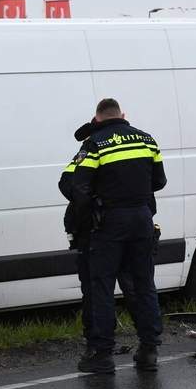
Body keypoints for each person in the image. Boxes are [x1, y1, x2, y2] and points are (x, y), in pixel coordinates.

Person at [71, 98, 166, 374]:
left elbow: (79, 185)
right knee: (144, 284)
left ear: (97, 119)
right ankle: (149, 351)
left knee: (102, 286)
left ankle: (102, 354)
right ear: (123, 115)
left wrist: (88, 217)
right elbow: (159, 181)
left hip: (110, 222)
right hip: (142, 219)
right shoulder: (146, 139)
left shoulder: (95, 143)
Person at [59, 119, 140, 346]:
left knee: (98, 291)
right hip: (128, 229)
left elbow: (68, 183)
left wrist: (91, 205)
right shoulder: (136, 142)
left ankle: (99, 348)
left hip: (99, 232)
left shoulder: (93, 145)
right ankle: (148, 345)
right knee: (132, 289)